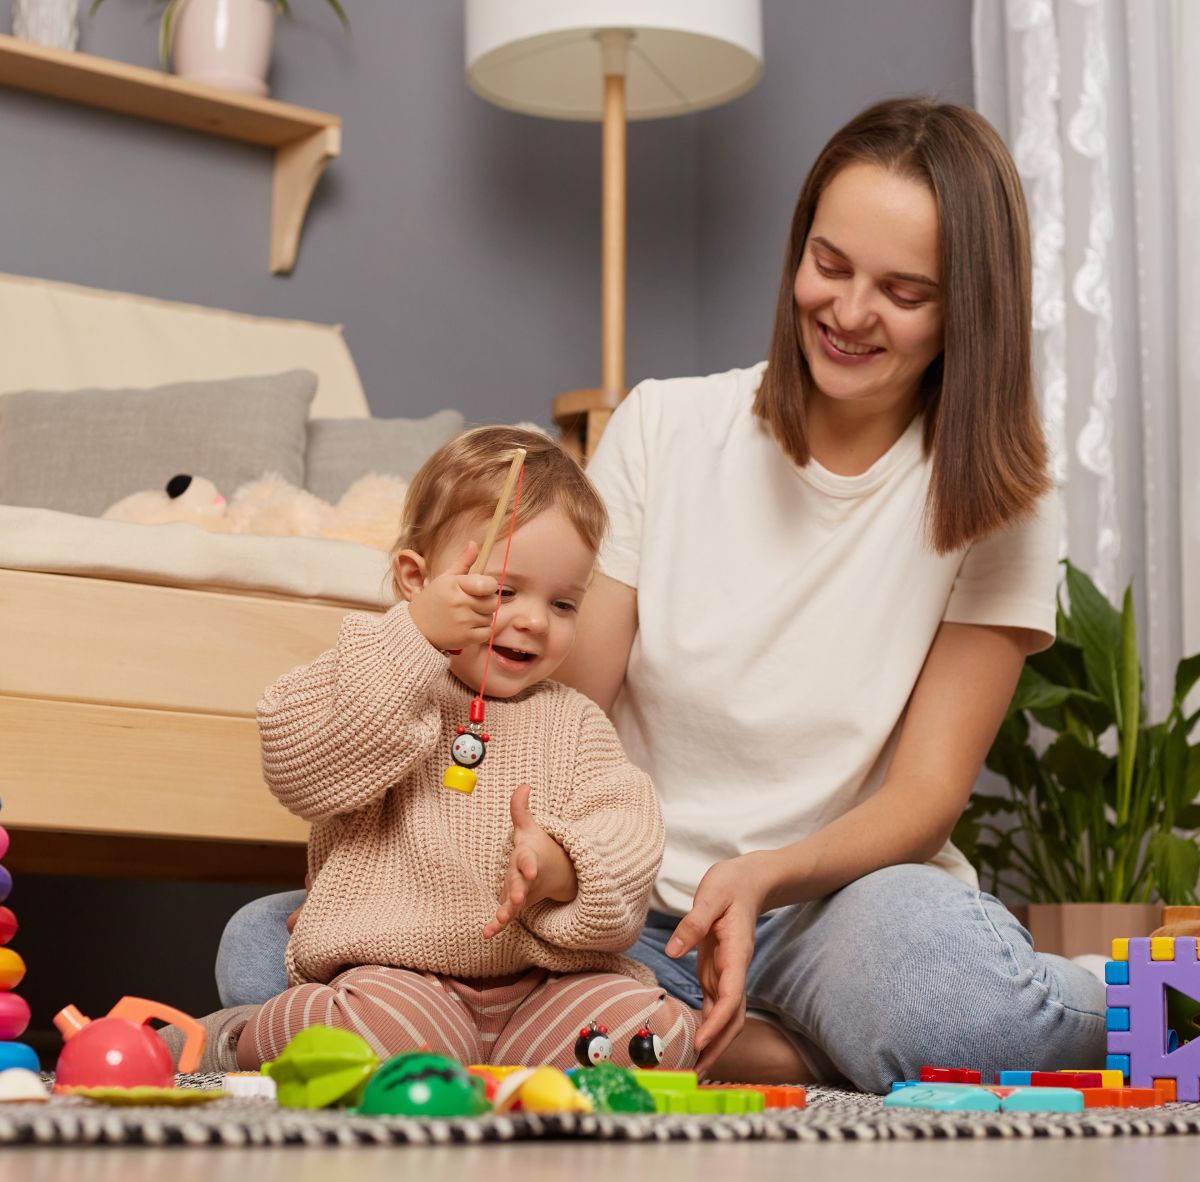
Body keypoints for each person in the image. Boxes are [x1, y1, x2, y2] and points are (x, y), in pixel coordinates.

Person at [216, 96, 1107, 1092]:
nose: (851, 313)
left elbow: (926, 798)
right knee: (266, 943)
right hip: (619, 910)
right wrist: (478, 864)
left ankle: (1099, 1003)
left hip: (835, 908)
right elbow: (563, 703)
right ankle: (753, 1053)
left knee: (964, 1010)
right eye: (830, 264)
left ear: (966, 308)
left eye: (904, 291)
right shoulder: (669, 427)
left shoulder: (999, 498)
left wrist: (764, 874)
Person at [187, 426, 696, 1073]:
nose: (535, 620)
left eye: (563, 602)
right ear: (414, 579)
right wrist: (415, 639)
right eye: (503, 591)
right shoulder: (374, 672)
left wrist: (562, 865)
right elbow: (299, 763)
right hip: (398, 980)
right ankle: (240, 1038)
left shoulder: (575, 722)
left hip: (541, 993)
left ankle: (494, 1068)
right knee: (380, 1042)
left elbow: (628, 831)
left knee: (654, 1039)